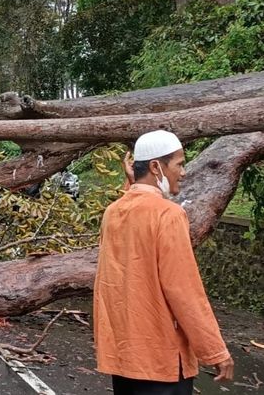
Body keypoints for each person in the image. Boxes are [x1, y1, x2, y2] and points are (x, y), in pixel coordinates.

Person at [93, 130, 234, 394]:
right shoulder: (168, 215)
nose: (183, 172)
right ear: (157, 166)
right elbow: (184, 289)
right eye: (179, 163)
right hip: (161, 357)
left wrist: (132, 184)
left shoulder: (113, 213)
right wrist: (215, 350)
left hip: (124, 354)